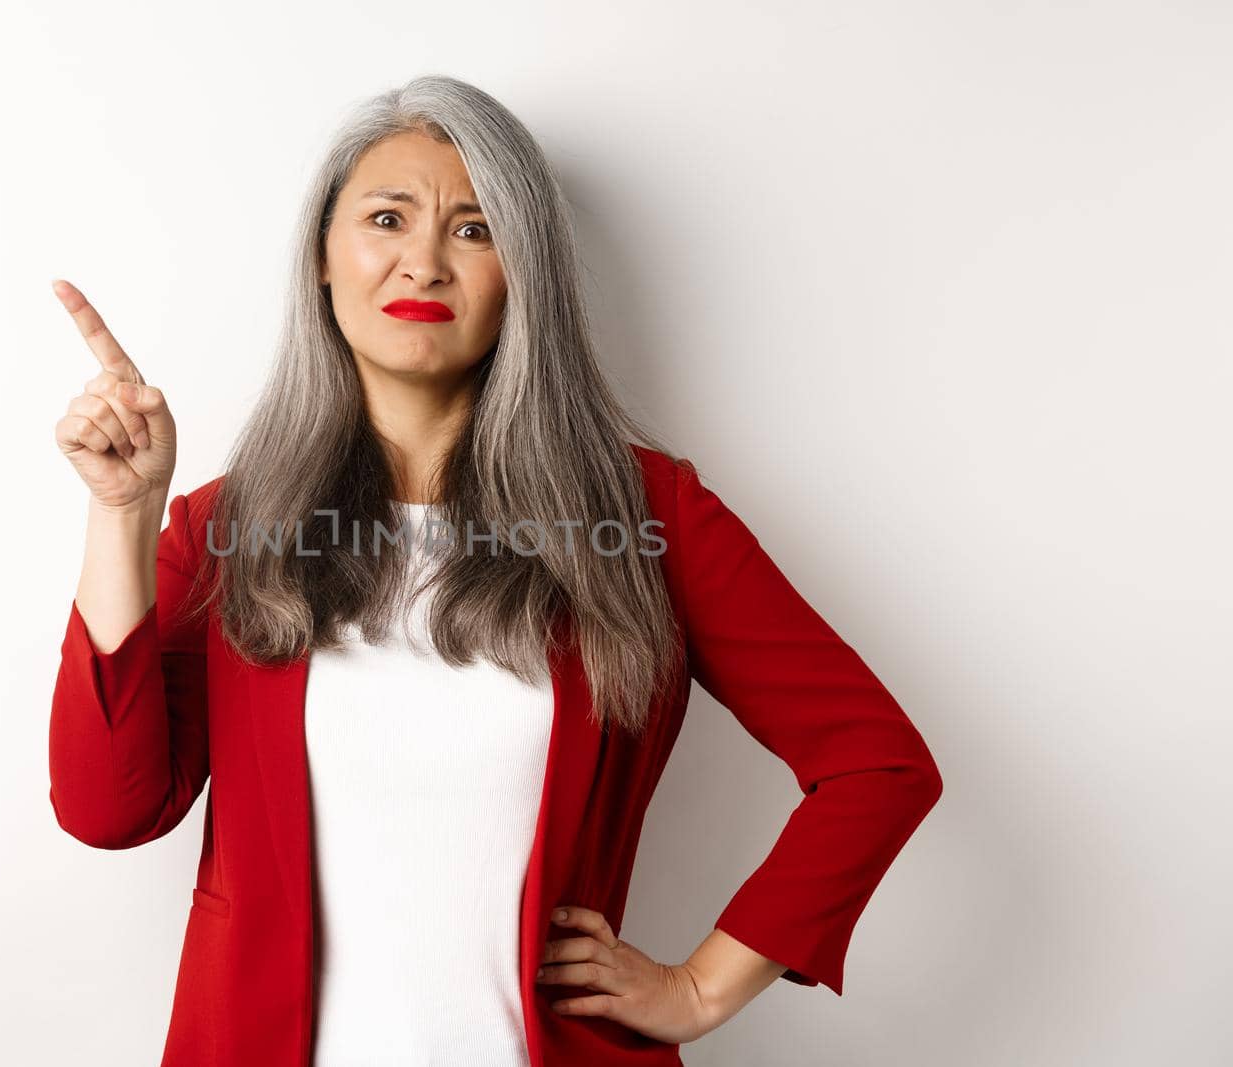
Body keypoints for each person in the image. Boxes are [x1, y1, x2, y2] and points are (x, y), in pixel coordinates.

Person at [46, 74, 943, 1067]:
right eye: (386, 218)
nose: (423, 262)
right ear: (321, 262)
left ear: (526, 274)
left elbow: (876, 763)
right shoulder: (228, 526)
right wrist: (122, 515)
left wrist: (700, 984)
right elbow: (111, 807)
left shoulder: (646, 518)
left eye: (474, 230)